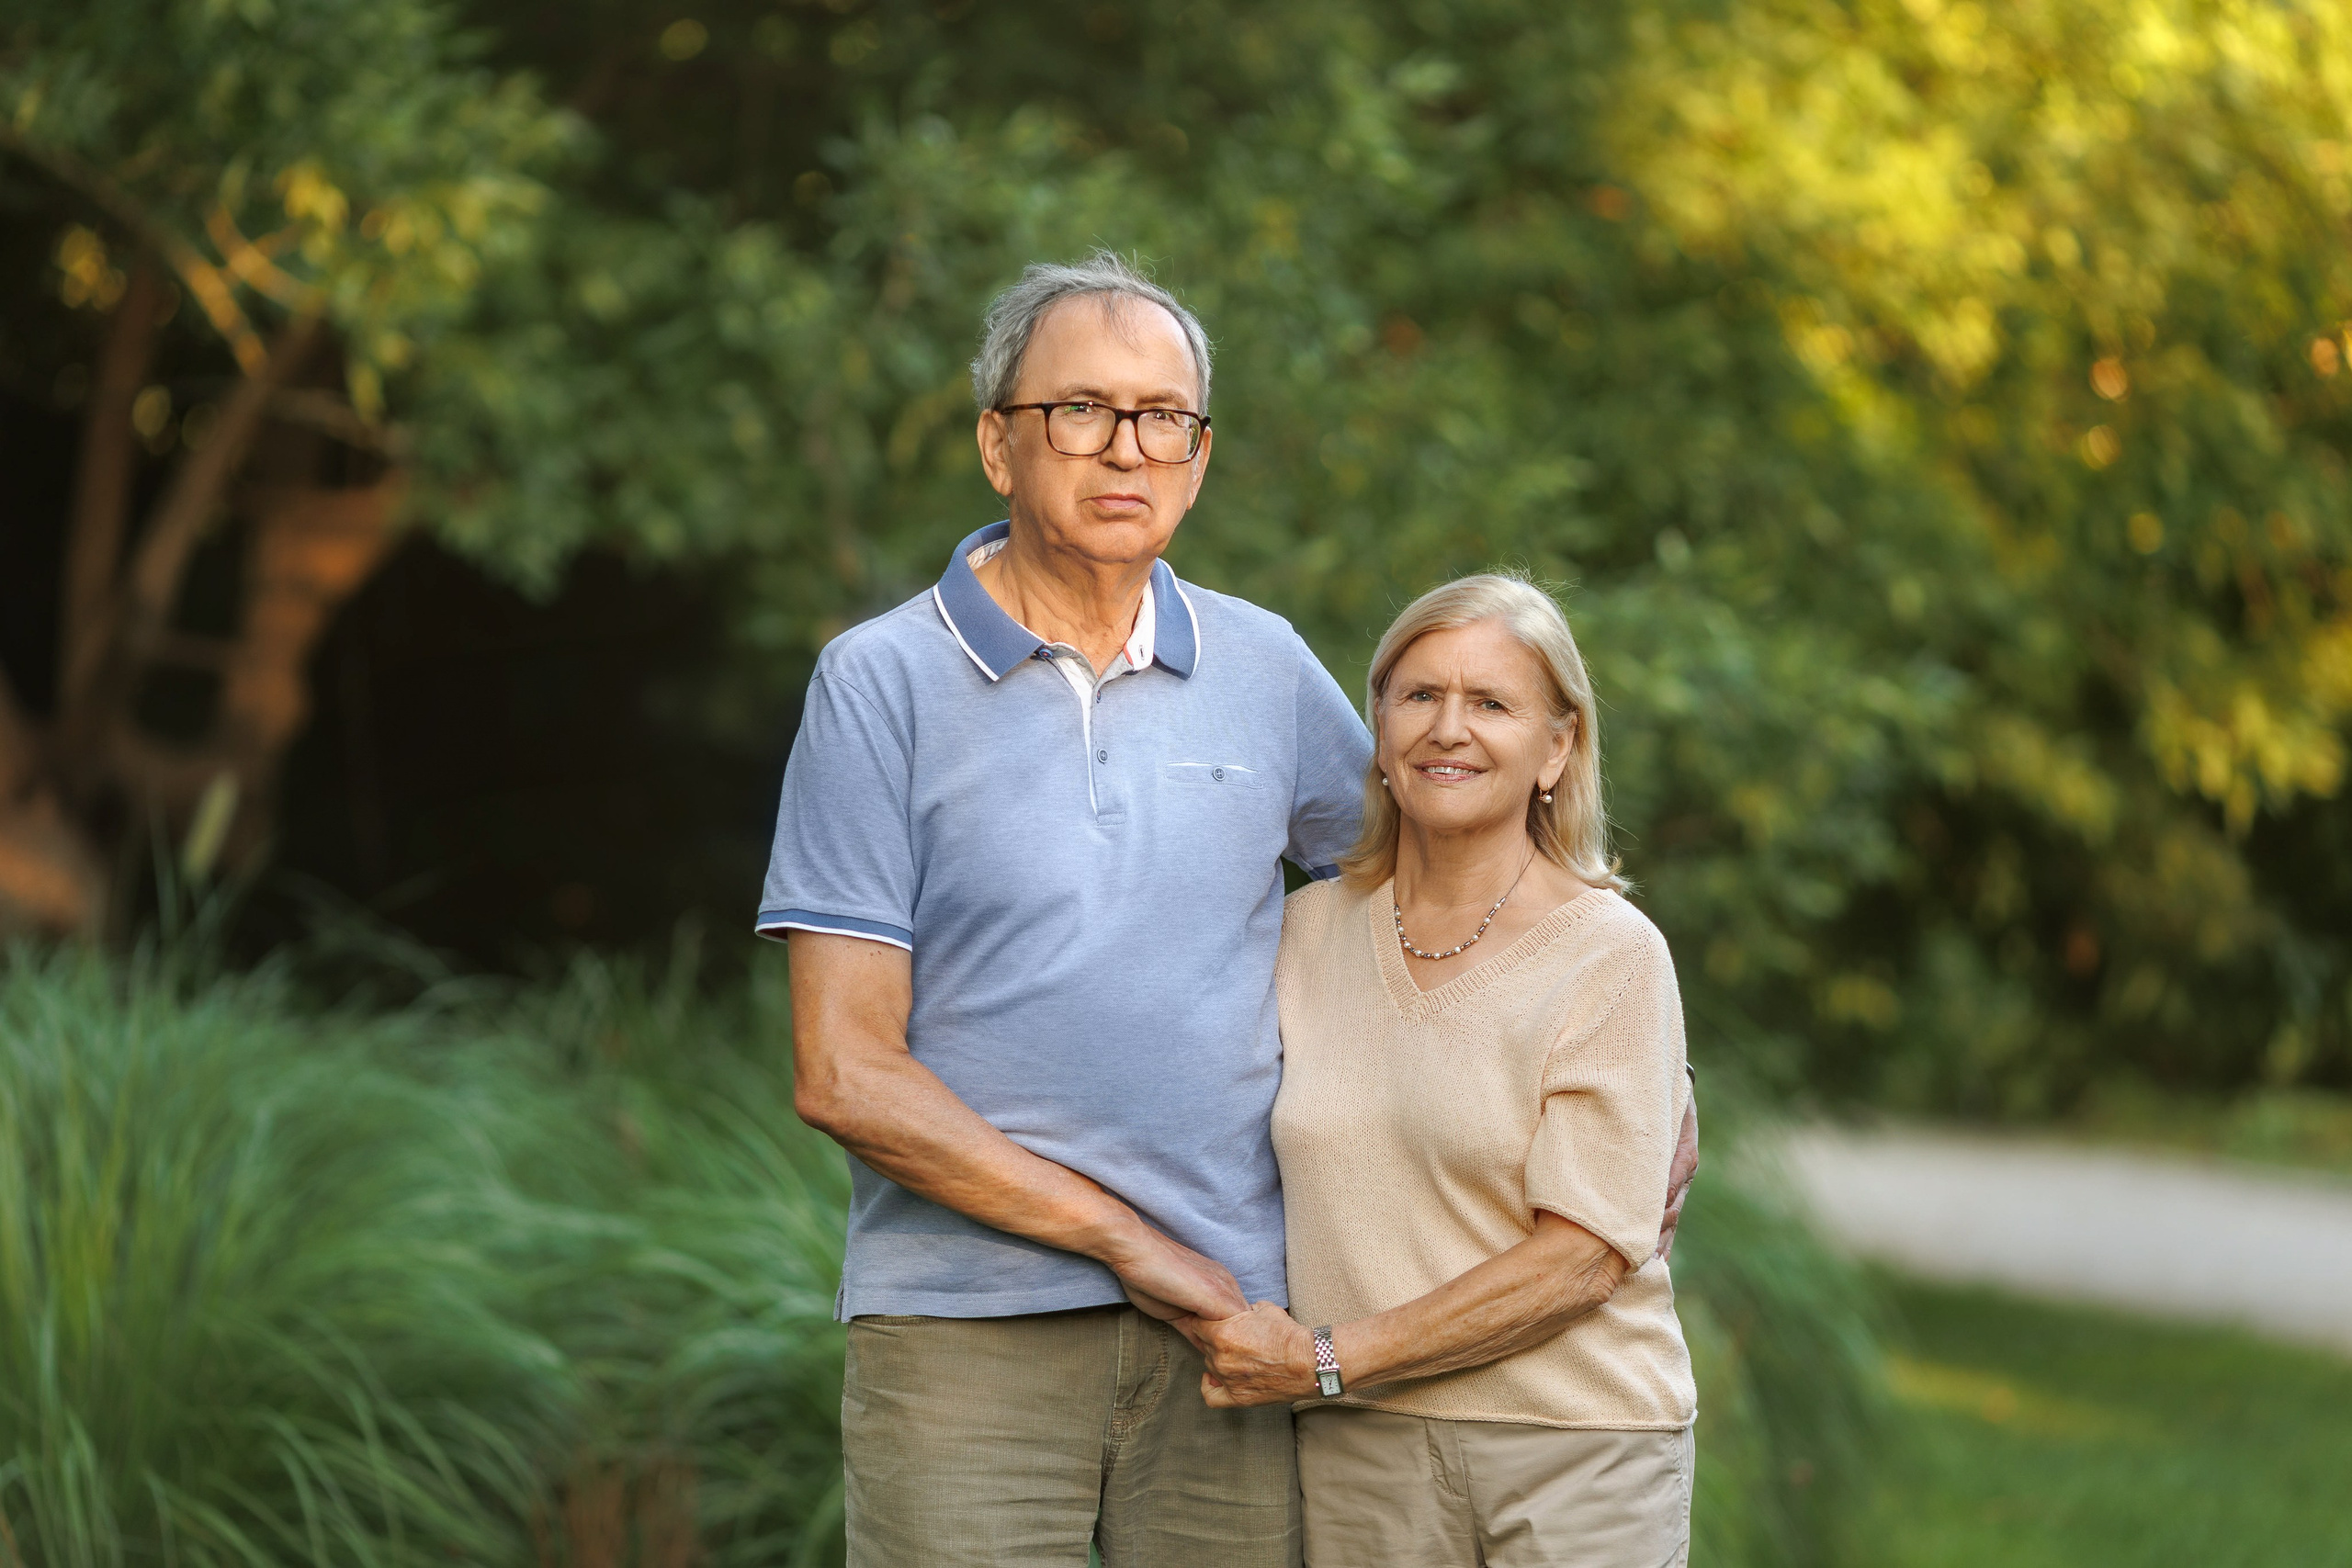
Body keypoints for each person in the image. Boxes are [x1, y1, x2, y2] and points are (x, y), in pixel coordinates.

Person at [757, 253, 1697, 1568]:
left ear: (1198, 461)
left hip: (1235, 1339)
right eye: (1079, 410)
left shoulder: (1263, 668)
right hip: (970, 1320)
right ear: (996, 445)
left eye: (1163, 418)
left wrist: (1644, 1076)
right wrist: (1127, 1242)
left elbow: (1441, 879)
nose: (1123, 447)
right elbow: (844, 1071)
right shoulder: (878, 683)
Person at [1185, 575, 1698, 1567]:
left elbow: (1582, 1258)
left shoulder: (1612, 953)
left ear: (1558, 748)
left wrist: (1329, 1359)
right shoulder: (1300, 934)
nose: (1447, 728)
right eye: (1419, 695)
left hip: (1575, 1451)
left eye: (1491, 702)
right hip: (1361, 1456)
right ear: (1378, 731)